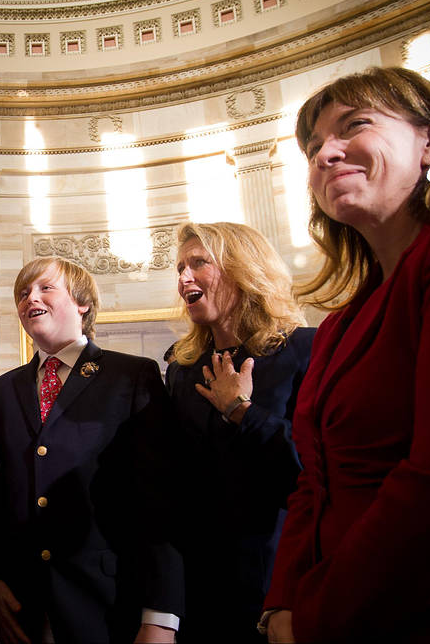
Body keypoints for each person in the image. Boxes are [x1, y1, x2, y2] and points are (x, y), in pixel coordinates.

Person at [262, 67, 430, 643]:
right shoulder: (340, 324)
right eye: (313, 146)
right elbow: (313, 483)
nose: (326, 153)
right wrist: (280, 605)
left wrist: (317, 617)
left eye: (355, 126)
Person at [0, 256, 172, 644]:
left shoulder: (133, 376)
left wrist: (161, 616)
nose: (29, 297)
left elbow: (161, 501)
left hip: (110, 603)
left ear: (82, 303)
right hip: (24, 607)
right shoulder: (2, 391)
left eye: (44, 288)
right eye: (22, 293)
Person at [145, 222, 313, 643]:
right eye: (180, 267)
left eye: (198, 263)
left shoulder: (303, 349)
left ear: (243, 269)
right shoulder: (182, 368)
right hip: (202, 594)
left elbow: (315, 475)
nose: (184, 278)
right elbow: (172, 488)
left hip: (285, 587)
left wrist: (241, 411)